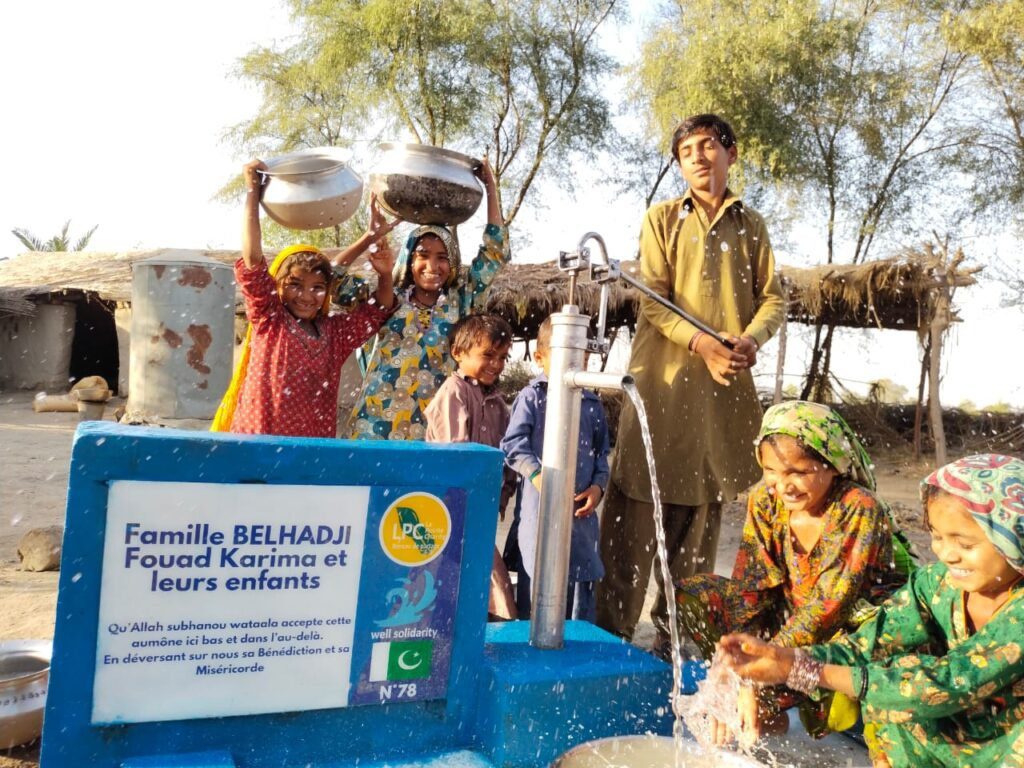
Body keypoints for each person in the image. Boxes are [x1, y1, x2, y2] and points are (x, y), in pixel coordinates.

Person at [596, 114, 786, 650]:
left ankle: (675, 653)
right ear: (679, 165)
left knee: (700, 535)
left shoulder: (752, 225)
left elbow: (774, 298)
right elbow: (652, 300)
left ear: (731, 152)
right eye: (687, 152)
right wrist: (703, 344)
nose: (699, 157)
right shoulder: (662, 219)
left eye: (708, 146)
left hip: (720, 399)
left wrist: (749, 338)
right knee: (631, 525)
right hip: (661, 389)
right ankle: (610, 646)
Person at [720, 454, 1024, 768]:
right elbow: (867, 645)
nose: (946, 554)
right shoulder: (935, 585)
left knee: (899, 685)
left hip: (1006, 747)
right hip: (958, 735)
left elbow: (947, 683)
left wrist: (805, 671)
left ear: (1014, 537)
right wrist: (776, 662)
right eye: (936, 536)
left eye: (965, 544)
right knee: (888, 697)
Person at [676, 400, 913, 741]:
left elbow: (828, 609)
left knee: (849, 649)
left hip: (848, 631)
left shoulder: (858, 508)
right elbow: (751, 588)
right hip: (793, 616)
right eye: (771, 470)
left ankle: (818, 705)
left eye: (798, 473)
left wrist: (759, 668)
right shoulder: (766, 500)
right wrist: (738, 659)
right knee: (699, 595)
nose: (782, 485)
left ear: (833, 464)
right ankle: (764, 710)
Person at [211, 160, 396, 438]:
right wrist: (252, 193)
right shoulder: (269, 319)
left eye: (317, 287)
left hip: (311, 454)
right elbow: (252, 262)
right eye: (295, 285)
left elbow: (378, 310)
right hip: (257, 443)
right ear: (278, 286)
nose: (307, 296)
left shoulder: (335, 334)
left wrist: (384, 274)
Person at [338, 159, 509, 441]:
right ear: (408, 258)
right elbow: (333, 281)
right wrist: (368, 237)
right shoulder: (384, 300)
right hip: (374, 431)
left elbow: (496, 252)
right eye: (423, 255)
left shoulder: (462, 303)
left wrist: (490, 187)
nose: (432, 265)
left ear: (452, 264)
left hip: (436, 435)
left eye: (442, 258)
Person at [500, 317, 610, 621]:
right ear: (540, 357)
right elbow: (512, 444)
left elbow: (602, 454)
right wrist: (537, 475)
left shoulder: (591, 404)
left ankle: (577, 657)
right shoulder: (533, 397)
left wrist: (598, 487)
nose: (575, 367)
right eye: (566, 359)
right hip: (540, 512)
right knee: (538, 587)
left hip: (580, 517)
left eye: (583, 360)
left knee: (578, 591)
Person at [425, 313, 518, 620]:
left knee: (467, 576)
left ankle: (470, 638)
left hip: (481, 505)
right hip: (452, 504)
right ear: (458, 354)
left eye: (503, 357)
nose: (496, 364)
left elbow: (506, 454)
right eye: (487, 355)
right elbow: (458, 457)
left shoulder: (496, 401)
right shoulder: (454, 392)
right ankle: (504, 633)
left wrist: (503, 494)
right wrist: (473, 497)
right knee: (490, 579)